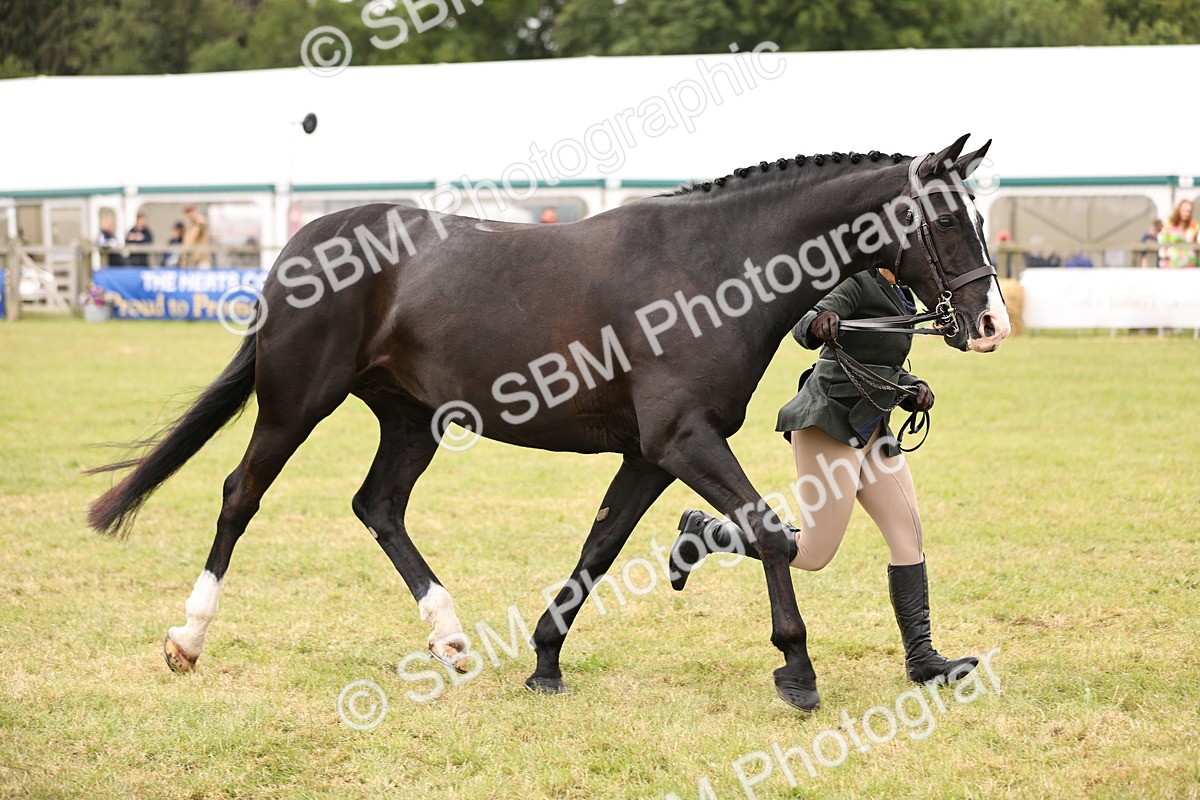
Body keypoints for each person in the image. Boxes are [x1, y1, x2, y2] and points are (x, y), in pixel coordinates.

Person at [668, 267, 978, 686]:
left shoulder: (901, 292)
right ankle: (709, 534)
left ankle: (922, 657)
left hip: (872, 423)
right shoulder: (854, 281)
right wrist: (817, 323)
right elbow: (805, 321)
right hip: (829, 421)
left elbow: (875, 359)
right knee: (814, 554)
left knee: (909, 537)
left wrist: (910, 385)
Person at [1158, 200, 1198, 269]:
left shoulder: (1195, 226)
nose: (1186, 213)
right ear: (1178, 210)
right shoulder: (1169, 224)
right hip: (1171, 264)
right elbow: (1162, 240)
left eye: (1189, 211)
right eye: (1184, 210)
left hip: (1190, 264)